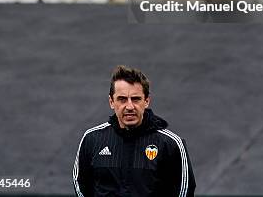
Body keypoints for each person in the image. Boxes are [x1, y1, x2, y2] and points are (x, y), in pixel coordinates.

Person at [73, 65, 196, 197]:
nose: (130, 106)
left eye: (136, 99)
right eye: (122, 99)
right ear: (111, 102)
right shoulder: (92, 139)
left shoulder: (170, 144)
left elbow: (184, 191)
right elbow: (80, 185)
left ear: (147, 101)